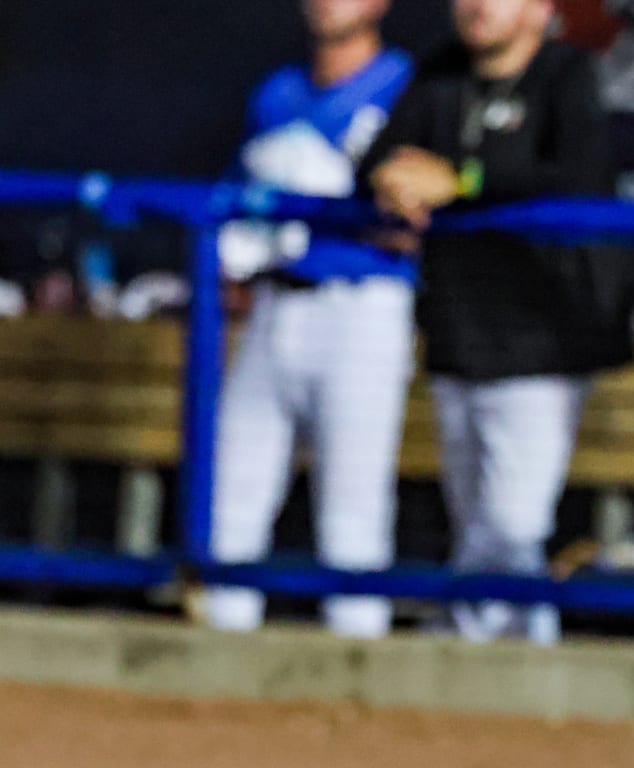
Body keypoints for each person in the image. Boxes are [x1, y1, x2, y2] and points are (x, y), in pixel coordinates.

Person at [360, 0, 630, 644]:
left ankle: (483, 650)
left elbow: (577, 177)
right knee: (477, 519)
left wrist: (461, 178)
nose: (477, 6)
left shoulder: (567, 74)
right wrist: (389, 178)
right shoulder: (442, 70)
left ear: (541, 10)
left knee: (512, 521)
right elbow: (377, 158)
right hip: (459, 328)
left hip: (545, 338)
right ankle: (505, 658)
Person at [204, 0, 415, 638]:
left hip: (364, 302)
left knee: (352, 512)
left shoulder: (407, 83)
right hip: (275, 301)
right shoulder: (279, 93)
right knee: (231, 497)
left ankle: (358, 677)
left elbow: (421, 219)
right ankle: (210, 665)